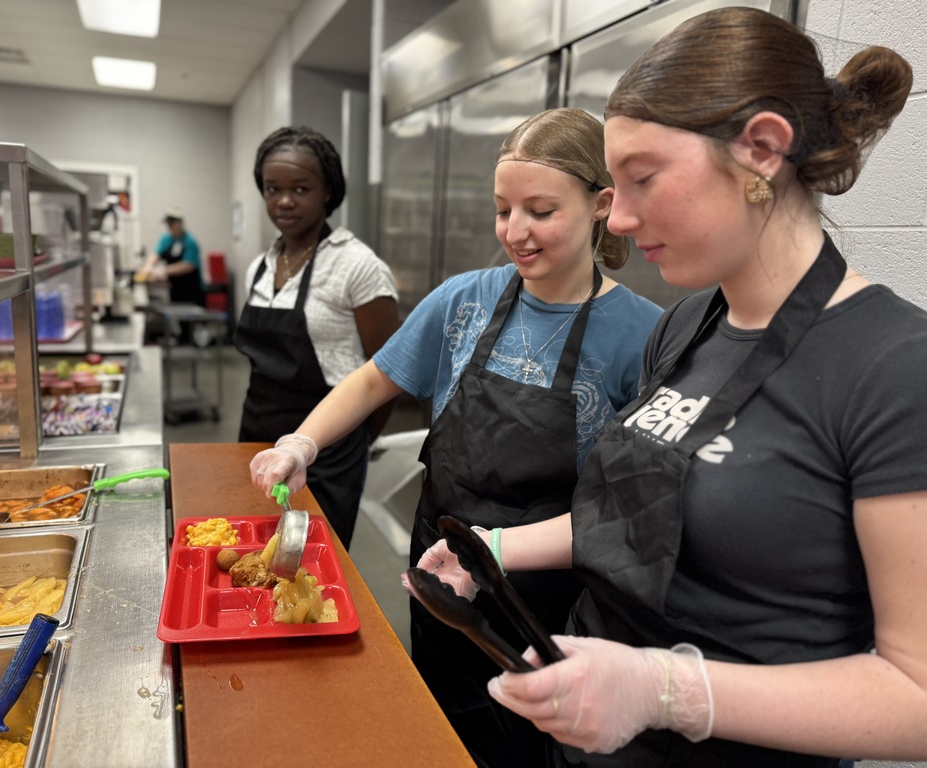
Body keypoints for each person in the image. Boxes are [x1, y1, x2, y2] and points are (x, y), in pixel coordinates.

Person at [408, 8, 925, 768]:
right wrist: (492, 548)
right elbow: (636, 524)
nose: (617, 213)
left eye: (642, 178)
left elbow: (914, 694)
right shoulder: (686, 328)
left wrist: (667, 690)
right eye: (612, 186)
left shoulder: (892, 365)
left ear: (762, 150)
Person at [250, 108, 664, 767]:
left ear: (601, 205)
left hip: (545, 594)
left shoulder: (643, 336)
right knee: (443, 722)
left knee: (531, 743)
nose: (515, 232)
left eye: (540, 211)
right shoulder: (465, 300)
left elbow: (636, 504)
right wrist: (302, 441)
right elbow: (370, 381)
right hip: (440, 567)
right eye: (503, 210)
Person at [235, 126, 400, 550]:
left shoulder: (358, 266)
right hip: (256, 437)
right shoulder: (261, 264)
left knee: (308, 561)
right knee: (250, 551)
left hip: (327, 452)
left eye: (300, 188)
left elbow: (387, 371)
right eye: (273, 188)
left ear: (328, 191)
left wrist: (357, 442)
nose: (284, 201)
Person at [138, 208, 205, 307]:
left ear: (180, 224)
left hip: (190, 289)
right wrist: (149, 266)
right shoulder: (166, 239)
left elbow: (188, 265)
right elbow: (156, 254)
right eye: (168, 224)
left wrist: (163, 270)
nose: (170, 227)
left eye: (172, 224)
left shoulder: (190, 241)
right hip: (175, 288)